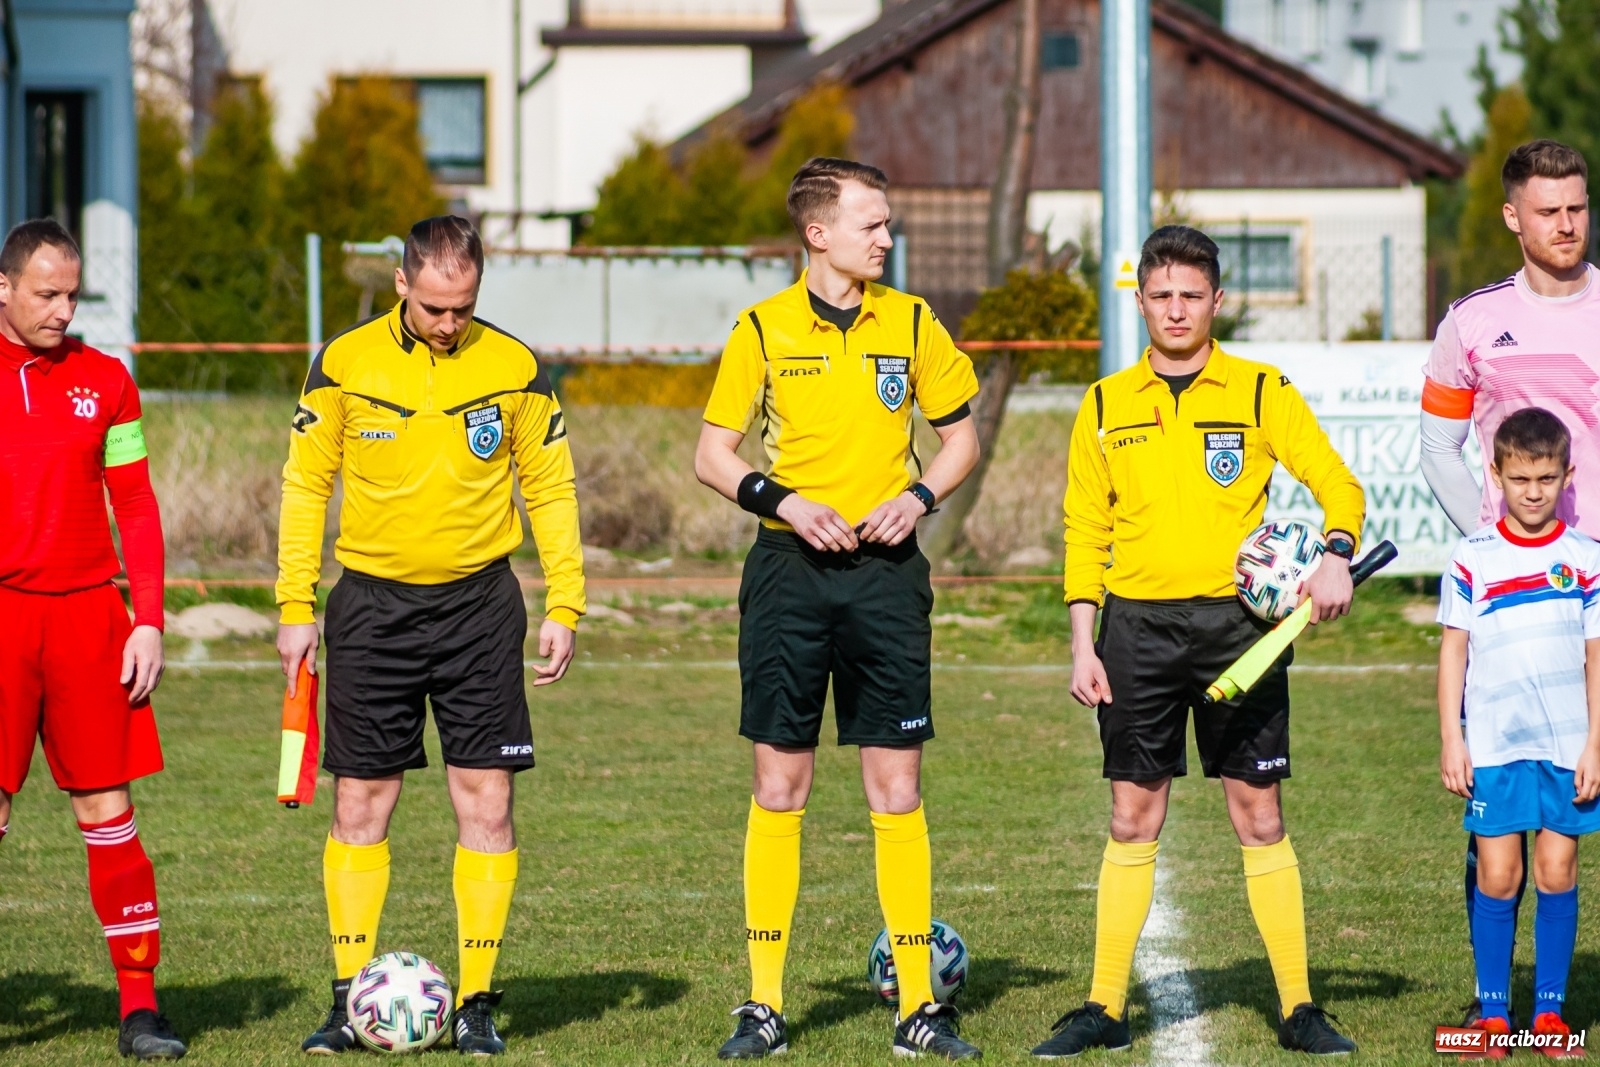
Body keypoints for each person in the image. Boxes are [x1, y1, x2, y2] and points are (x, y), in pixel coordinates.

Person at [1039, 225, 1366, 1058]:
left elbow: (1337, 482)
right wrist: (1084, 642)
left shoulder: (1259, 390)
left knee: (1258, 812)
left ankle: (1298, 1006)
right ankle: (1104, 1005)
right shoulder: (1105, 403)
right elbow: (1084, 531)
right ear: (1140, 300)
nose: (1176, 309)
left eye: (1192, 295)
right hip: (1135, 630)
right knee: (1131, 812)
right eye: (1161, 295)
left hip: (1238, 630)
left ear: (1218, 300)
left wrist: (1334, 555)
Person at [695, 157, 982, 1060]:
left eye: (887, 224)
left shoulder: (912, 321)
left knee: (896, 788)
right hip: (787, 574)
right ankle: (765, 1004)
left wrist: (921, 499)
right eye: (873, 224)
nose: (887, 239)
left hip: (887, 576)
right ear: (818, 233)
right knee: (781, 785)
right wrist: (781, 500)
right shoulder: (763, 327)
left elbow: (962, 437)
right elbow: (710, 453)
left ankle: (917, 1010)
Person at [276, 215, 585, 1056]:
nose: (451, 323)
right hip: (371, 608)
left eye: (466, 307)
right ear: (402, 283)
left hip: (481, 607)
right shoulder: (343, 362)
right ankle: (348, 999)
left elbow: (549, 490)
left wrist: (567, 601)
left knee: (486, 800)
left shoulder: (516, 367)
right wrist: (294, 605)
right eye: (436, 307)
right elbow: (306, 485)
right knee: (359, 801)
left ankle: (478, 1000)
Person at [1420, 138, 1600, 1026]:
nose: (1567, 223)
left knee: (1577, 801)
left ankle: (1554, 1000)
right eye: (1549, 209)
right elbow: (1435, 444)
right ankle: (1496, 999)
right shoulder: (1470, 322)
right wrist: (1493, 548)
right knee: (1501, 815)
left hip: (1596, 585)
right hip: (1516, 600)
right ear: (1512, 216)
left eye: (1578, 206)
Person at [0, 219, 184, 1060]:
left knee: (108, 812)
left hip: (87, 618)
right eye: (47, 293)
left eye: (72, 293)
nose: (63, 310)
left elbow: (137, 504)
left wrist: (146, 616)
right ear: (4, 287)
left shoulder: (107, 381)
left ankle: (140, 1010)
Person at [1437, 407, 1600, 1059]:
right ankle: (1495, 1015)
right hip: (1496, 745)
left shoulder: (1586, 558)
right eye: (1520, 477)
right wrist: (1453, 736)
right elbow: (1454, 649)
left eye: (1546, 477)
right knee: (1499, 874)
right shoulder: (1473, 556)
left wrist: (1596, 741)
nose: (1533, 491)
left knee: (1558, 868)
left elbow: (1596, 655)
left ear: (1567, 475)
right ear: (1496, 473)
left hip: (1567, 745)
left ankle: (1552, 1013)